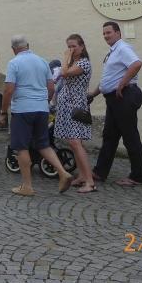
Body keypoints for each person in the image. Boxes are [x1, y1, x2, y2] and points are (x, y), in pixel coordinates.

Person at [0, 35, 73, 196]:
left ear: (13, 49)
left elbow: (9, 89)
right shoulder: (42, 61)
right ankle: (62, 172)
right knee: (43, 144)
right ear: (28, 45)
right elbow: (51, 87)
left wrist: (3, 112)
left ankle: (27, 186)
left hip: (23, 109)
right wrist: (43, 101)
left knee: (21, 147)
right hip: (41, 108)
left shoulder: (14, 63)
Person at [88, 21, 142, 187]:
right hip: (115, 98)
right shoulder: (113, 52)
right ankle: (100, 172)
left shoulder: (122, 48)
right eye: (104, 34)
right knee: (110, 136)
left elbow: (136, 64)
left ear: (118, 33)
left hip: (124, 96)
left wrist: (122, 84)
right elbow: (108, 80)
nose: (106, 36)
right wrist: (93, 93)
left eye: (109, 33)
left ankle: (138, 176)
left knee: (130, 137)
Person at [56, 34, 96, 194]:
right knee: (74, 142)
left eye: (73, 46)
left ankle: (90, 182)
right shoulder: (74, 62)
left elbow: (64, 73)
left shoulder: (84, 63)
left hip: (75, 106)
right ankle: (81, 176)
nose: (70, 49)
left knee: (75, 142)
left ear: (82, 46)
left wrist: (65, 57)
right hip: (67, 105)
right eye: (68, 47)